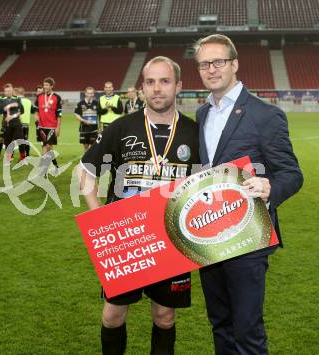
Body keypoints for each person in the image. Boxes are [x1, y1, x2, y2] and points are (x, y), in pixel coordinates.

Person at [78, 56, 200, 355]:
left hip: (173, 238)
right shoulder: (122, 127)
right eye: (150, 82)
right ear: (142, 87)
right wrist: (99, 215)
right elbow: (86, 170)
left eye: (165, 81)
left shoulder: (195, 132)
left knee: (165, 316)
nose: (157, 89)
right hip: (127, 240)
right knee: (113, 314)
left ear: (178, 86)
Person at [193, 34, 303, 355]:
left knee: (247, 330)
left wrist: (271, 188)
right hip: (209, 235)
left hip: (248, 236)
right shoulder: (201, 115)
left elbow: (292, 173)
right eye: (204, 64)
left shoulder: (265, 115)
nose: (211, 69)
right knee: (220, 324)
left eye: (218, 62)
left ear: (235, 64)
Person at [34, 77, 62, 174]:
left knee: (49, 146)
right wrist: (36, 116)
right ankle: (47, 168)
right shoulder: (39, 97)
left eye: (46, 85)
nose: (44, 87)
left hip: (52, 127)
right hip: (41, 126)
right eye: (44, 85)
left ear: (51, 86)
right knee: (45, 147)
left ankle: (46, 167)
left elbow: (59, 114)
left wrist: (58, 127)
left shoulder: (57, 97)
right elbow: (36, 110)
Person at [0, 83, 25, 164]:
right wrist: (10, 106)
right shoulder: (2, 99)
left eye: (9, 90)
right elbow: (0, 110)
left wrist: (12, 109)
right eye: (6, 91)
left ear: (12, 91)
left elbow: (22, 111)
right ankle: (9, 158)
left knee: (20, 140)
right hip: (6, 123)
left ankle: (22, 158)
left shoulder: (17, 98)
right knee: (7, 142)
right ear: (4, 92)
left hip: (16, 123)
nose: (8, 92)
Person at [74, 86, 99, 151]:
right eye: (88, 93)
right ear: (85, 93)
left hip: (94, 129)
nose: (89, 95)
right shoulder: (80, 103)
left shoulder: (97, 103)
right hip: (84, 128)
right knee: (85, 146)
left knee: (94, 146)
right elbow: (76, 114)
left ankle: (93, 160)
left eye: (91, 93)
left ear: (93, 94)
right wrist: (84, 120)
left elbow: (100, 115)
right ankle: (86, 160)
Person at [14, 86, 34, 158]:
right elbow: (32, 111)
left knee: (15, 140)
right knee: (25, 140)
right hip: (26, 124)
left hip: (18, 123)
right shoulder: (29, 101)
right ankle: (27, 155)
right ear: (24, 93)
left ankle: (13, 156)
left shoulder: (16, 101)